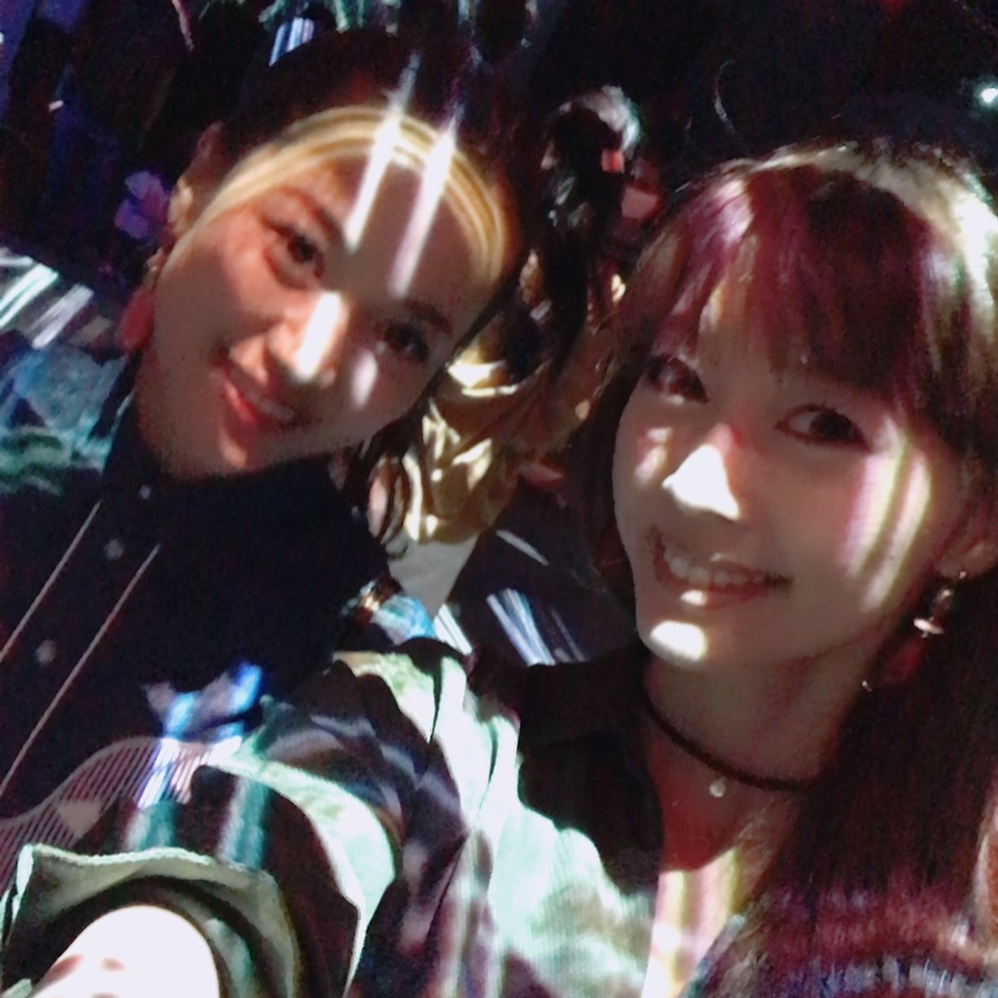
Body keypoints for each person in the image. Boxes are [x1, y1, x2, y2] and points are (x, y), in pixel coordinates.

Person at [9, 137, 998, 998]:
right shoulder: (437, 740)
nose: (697, 483)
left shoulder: (958, 928)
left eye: (819, 423)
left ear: (974, 520)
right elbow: (239, 878)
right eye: (678, 378)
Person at [0, 16, 609, 899]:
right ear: (201, 182)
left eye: (401, 336)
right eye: (301, 249)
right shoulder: (17, 354)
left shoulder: (356, 666)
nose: (310, 357)